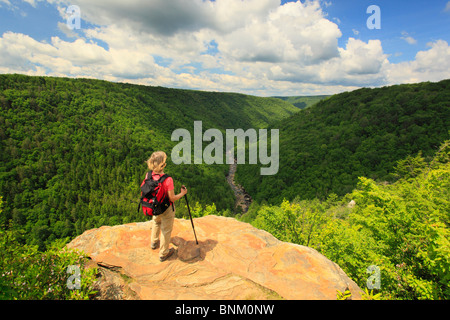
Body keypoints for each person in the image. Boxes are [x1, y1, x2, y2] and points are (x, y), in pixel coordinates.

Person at [146, 151, 187, 262]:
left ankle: (154, 242)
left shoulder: (148, 175)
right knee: (166, 230)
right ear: (163, 164)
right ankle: (164, 253)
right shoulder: (168, 180)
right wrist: (182, 193)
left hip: (154, 206)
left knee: (156, 222)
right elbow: (172, 198)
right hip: (166, 208)